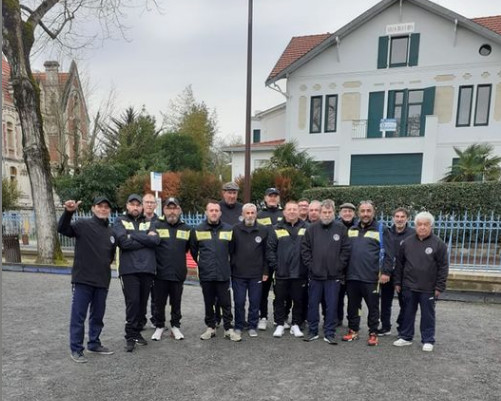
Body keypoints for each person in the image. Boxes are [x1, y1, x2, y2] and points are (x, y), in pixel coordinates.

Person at [58, 196, 117, 363]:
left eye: (106, 207)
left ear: (109, 211)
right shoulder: (82, 225)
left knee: (97, 315)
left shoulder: (111, 232)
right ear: (93, 208)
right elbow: (62, 229)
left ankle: (94, 343)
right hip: (82, 280)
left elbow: (110, 256)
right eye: (100, 206)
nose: (103, 209)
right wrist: (68, 213)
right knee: (78, 316)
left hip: (102, 281)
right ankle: (76, 349)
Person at [393, 212, 449, 352]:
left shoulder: (439, 244)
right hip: (409, 286)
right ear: (415, 225)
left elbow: (443, 267)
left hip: (428, 288)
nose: (422, 227)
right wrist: (397, 282)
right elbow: (400, 264)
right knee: (407, 312)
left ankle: (428, 339)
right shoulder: (407, 243)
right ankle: (406, 337)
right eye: (419, 224)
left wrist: (439, 286)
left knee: (428, 315)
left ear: (431, 226)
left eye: (425, 224)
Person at [342, 200, 393, 346]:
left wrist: (386, 272)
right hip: (352, 276)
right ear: (358, 213)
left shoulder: (382, 230)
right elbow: (345, 252)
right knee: (353, 306)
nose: (365, 214)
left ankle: (373, 333)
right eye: (363, 211)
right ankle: (353, 330)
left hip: (372, 277)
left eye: (368, 211)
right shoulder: (351, 228)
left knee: (373, 307)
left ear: (373, 212)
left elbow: (390, 254)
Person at [113, 194, 160, 352]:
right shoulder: (120, 221)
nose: (135, 207)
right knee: (132, 302)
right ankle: (130, 335)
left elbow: (155, 241)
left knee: (142, 302)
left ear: (142, 207)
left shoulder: (149, 222)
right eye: (132, 204)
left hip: (147, 269)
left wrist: (132, 235)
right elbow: (123, 243)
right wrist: (144, 239)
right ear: (127, 206)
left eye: (137, 205)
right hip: (129, 269)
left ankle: (138, 331)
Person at [301, 199, 351, 344]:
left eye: (330, 212)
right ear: (320, 213)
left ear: (333, 213)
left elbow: (346, 250)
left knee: (331, 305)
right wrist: (312, 266)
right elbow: (305, 250)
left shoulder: (341, 228)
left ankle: (329, 333)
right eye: (324, 212)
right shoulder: (311, 229)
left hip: (333, 276)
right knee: (313, 304)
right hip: (315, 275)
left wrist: (338, 266)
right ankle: (313, 331)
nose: (327, 215)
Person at [190, 201, 239, 341]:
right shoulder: (198, 230)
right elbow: (194, 251)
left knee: (226, 303)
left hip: (223, 273)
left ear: (220, 213)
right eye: (211, 210)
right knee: (208, 302)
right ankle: (210, 327)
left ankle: (228, 328)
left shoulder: (229, 229)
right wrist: (204, 264)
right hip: (206, 274)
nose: (214, 213)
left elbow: (232, 249)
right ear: (206, 212)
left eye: (216, 210)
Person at [150, 197, 191, 341]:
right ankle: (159, 326)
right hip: (160, 273)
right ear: (164, 210)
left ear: (179, 210)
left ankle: (175, 326)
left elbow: (187, 248)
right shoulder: (156, 225)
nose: (172, 211)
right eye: (169, 208)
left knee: (176, 302)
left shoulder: (186, 228)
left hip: (178, 273)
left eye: (174, 208)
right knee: (159, 303)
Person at [267, 201, 308, 338]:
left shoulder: (307, 228)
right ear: (284, 212)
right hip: (281, 273)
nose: (292, 212)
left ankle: (295, 324)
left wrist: (306, 266)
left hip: (300, 272)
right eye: (289, 209)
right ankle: (279, 324)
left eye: (294, 209)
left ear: (299, 211)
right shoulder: (276, 228)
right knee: (279, 300)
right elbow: (270, 250)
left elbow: (311, 249)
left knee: (298, 300)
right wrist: (277, 266)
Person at [229, 203, 269, 340]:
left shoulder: (263, 230)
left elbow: (266, 253)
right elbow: (231, 251)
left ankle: (252, 325)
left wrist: (265, 271)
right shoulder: (235, 229)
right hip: (238, 273)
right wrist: (232, 267)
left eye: (253, 213)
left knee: (255, 301)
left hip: (256, 274)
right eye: (248, 213)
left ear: (256, 214)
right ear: (243, 214)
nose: (250, 216)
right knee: (239, 301)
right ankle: (239, 325)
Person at [378, 207, 415, 337]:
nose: (399, 219)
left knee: (404, 303)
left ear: (407, 219)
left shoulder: (412, 234)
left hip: (404, 274)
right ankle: (385, 327)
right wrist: (385, 271)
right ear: (393, 218)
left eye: (402, 217)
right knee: (385, 302)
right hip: (387, 272)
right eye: (397, 217)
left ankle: (402, 327)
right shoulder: (386, 232)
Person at [257, 187, 284, 331]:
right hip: (264, 259)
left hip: (281, 259)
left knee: (280, 291)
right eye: (270, 196)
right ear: (265, 198)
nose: (272, 198)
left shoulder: (284, 214)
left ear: (279, 198)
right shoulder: (260, 215)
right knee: (263, 290)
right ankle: (263, 317)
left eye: (275, 196)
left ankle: (280, 317)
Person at [336, 202, 357, 327]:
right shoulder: (336, 226)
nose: (347, 213)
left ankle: (353, 321)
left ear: (354, 213)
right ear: (340, 213)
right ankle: (337, 319)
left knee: (354, 298)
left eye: (350, 211)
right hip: (339, 267)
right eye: (345, 211)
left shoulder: (358, 226)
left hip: (354, 267)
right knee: (337, 296)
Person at [142, 192, 159, 329]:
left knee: (156, 296)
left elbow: (158, 241)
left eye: (152, 202)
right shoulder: (136, 221)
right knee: (140, 296)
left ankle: (155, 319)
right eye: (147, 202)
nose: (149, 204)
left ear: (156, 205)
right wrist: (148, 238)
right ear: (143, 204)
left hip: (157, 263)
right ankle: (140, 321)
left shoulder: (160, 222)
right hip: (141, 263)